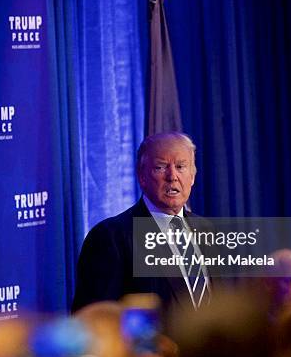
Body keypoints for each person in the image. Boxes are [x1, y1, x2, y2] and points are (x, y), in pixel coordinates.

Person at [72, 132, 215, 312]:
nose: (172, 176)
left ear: (192, 176)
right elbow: (96, 322)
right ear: (142, 176)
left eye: (180, 166)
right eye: (161, 167)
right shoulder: (111, 237)